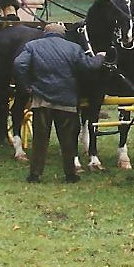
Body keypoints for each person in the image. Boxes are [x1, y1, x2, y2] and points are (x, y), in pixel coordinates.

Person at [13, 22, 108, 184]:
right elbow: (89, 66)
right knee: (68, 140)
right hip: (66, 100)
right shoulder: (74, 48)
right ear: (63, 34)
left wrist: (27, 85)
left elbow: (19, 64)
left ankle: (35, 175)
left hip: (41, 100)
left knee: (40, 139)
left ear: (45, 33)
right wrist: (100, 57)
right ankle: (70, 175)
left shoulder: (32, 46)